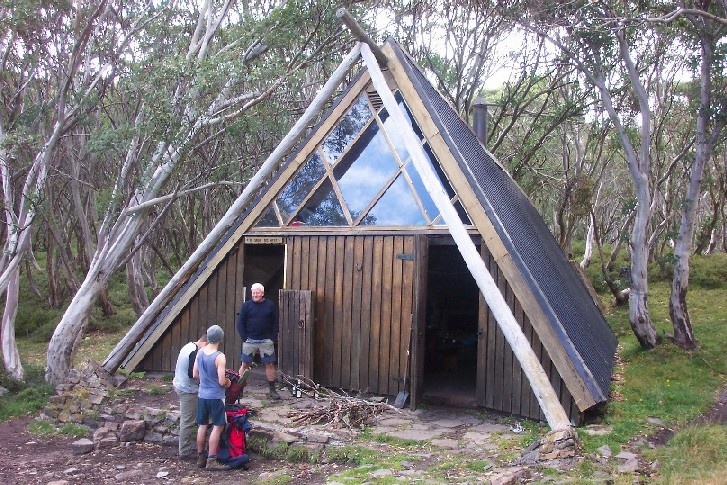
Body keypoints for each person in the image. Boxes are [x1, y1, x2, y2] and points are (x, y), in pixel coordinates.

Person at [193, 324, 232, 471]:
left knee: (202, 425)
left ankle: (200, 457)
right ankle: (211, 460)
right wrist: (228, 382)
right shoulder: (219, 356)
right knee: (218, 426)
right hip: (216, 396)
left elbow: (195, 374)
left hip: (202, 394)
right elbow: (222, 381)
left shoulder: (200, 352)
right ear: (220, 339)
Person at [236, 282, 280, 400]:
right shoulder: (246, 306)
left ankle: (272, 390)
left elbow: (275, 323)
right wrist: (244, 337)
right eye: (253, 293)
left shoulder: (270, 305)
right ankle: (238, 389)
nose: (255, 295)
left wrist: (272, 338)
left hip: (266, 340)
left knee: (270, 364)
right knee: (245, 364)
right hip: (249, 340)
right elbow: (240, 323)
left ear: (262, 293)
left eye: (257, 293)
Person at [172, 333, 208, 461]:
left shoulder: (188, 346)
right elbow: (192, 374)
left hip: (180, 384)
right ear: (205, 343)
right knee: (187, 421)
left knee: (196, 417)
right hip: (187, 389)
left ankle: (197, 445)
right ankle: (184, 452)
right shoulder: (195, 352)